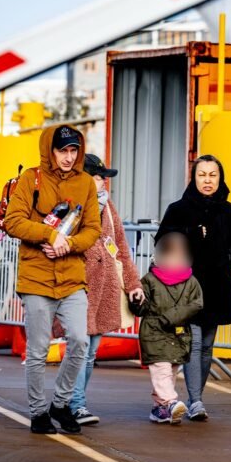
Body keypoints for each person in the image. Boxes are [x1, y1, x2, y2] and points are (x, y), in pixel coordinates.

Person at [2, 125, 101, 435]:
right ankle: (37, 412)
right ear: (50, 151)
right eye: (63, 150)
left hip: (72, 277)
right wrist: (50, 234)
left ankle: (60, 403)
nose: (68, 157)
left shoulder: (85, 182)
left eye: (73, 150)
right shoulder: (31, 178)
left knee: (80, 341)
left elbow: (93, 229)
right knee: (37, 349)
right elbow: (12, 221)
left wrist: (68, 243)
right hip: (36, 278)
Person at [156, 154, 231, 421]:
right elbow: (163, 243)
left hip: (218, 285)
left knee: (207, 345)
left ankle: (196, 398)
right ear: (193, 177)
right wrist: (188, 239)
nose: (207, 180)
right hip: (186, 287)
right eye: (202, 174)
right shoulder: (178, 209)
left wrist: (227, 255)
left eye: (212, 175)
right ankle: (196, 401)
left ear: (220, 178)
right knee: (194, 343)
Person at [67, 154, 144, 426]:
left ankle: (70, 401)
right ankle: (75, 404)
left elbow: (121, 247)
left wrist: (133, 284)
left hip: (106, 288)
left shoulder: (108, 207)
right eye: (99, 177)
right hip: (80, 286)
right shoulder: (70, 205)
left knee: (89, 353)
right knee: (80, 347)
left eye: (104, 178)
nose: (104, 183)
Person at [132, 231, 203, 424]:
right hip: (154, 334)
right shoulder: (150, 280)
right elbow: (141, 309)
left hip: (178, 336)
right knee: (161, 371)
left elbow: (197, 304)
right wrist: (137, 301)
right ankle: (171, 402)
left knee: (169, 373)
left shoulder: (191, 282)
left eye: (180, 255)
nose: (176, 259)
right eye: (172, 255)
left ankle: (159, 408)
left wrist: (171, 317)